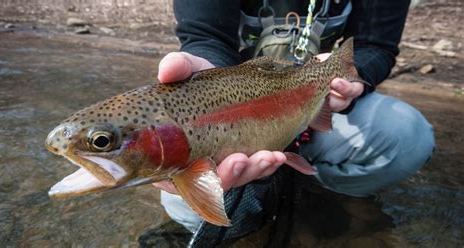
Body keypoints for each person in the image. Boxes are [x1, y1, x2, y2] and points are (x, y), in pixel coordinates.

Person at [152, 0, 435, 245]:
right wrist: (210, 83)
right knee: (182, 198)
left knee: (408, 136)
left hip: (313, 99)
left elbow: (376, 46)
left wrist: (351, 76)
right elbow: (206, 37)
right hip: (231, 115)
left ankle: (316, 190)